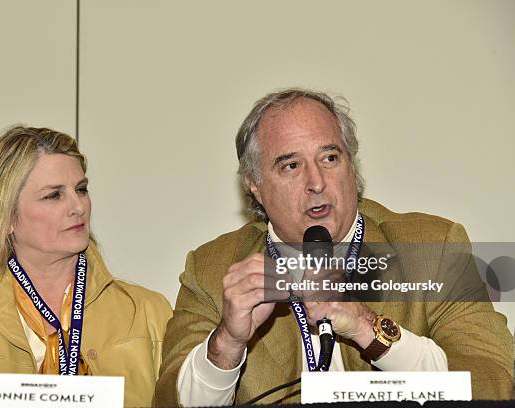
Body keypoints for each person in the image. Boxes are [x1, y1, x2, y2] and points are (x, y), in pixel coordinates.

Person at [154, 88, 513, 405]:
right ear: (256, 186)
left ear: (351, 168)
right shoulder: (212, 269)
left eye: (329, 158)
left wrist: (369, 329)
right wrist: (227, 344)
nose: (317, 182)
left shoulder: (433, 247)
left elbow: (496, 381)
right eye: (291, 165)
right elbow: (169, 402)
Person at [0, 126, 172, 407]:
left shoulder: (149, 312)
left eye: (81, 189)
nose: (79, 207)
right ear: (6, 217)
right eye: (54, 195)